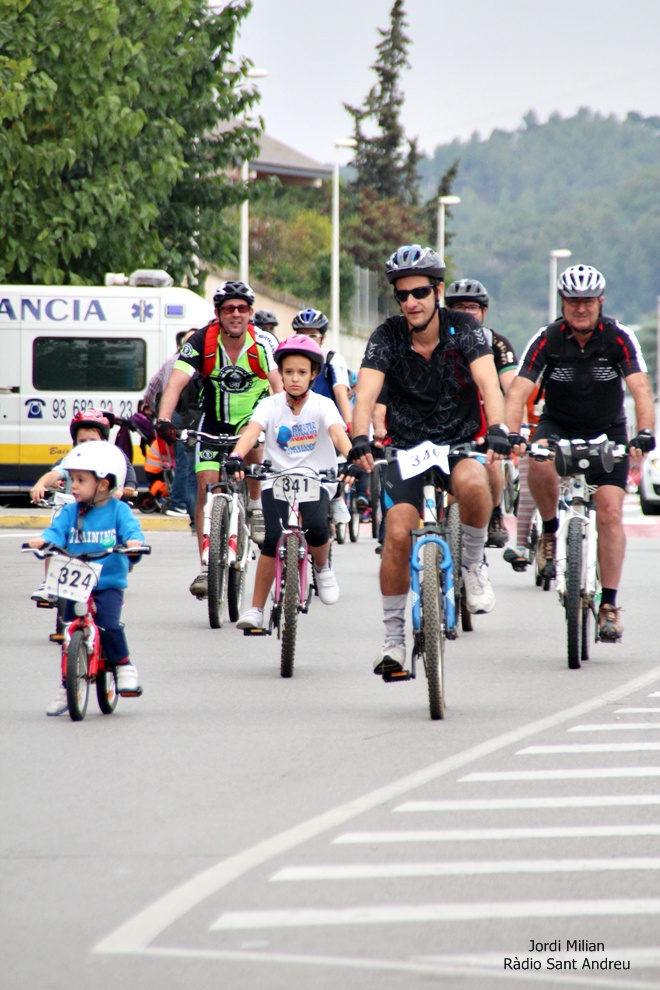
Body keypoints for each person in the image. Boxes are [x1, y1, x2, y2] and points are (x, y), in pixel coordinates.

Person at [348, 244, 510, 675]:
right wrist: (358, 438)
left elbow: (489, 383)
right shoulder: (387, 335)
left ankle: (473, 564)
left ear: (437, 291)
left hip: (458, 442)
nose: (411, 302)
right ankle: (394, 640)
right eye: (403, 296)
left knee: (476, 483)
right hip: (407, 449)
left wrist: (497, 427)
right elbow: (364, 392)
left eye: (419, 292)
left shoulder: (464, 329)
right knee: (398, 534)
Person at [506, 264, 655, 642]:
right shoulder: (548, 338)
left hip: (609, 430)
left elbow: (640, 390)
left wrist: (645, 433)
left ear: (600, 302)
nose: (581, 309)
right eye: (573, 302)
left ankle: (609, 605)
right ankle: (551, 533)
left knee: (608, 511)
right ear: (563, 303)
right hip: (558, 425)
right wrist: (511, 434)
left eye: (588, 301)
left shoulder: (619, 338)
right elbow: (518, 391)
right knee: (537, 461)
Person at [155, 280, 282, 597]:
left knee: (254, 442)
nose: (235, 314)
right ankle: (205, 567)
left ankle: (255, 507)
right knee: (204, 488)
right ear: (218, 314)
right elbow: (176, 381)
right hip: (212, 422)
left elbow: (278, 386)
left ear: (250, 312)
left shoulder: (264, 342)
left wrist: (284, 422)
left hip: (250, 420)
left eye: (242, 308)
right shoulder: (200, 341)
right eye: (229, 309)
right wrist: (163, 418)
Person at [224, 335, 354, 630]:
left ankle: (322, 568)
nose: (295, 378)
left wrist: (353, 457)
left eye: (302, 372)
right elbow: (251, 431)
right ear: (280, 374)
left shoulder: (323, 405)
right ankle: (256, 609)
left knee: (318, 526)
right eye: (289, 372)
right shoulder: (270, 405)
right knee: (272, 538)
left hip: (316, 477)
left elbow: (337, 434)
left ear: (313, 375)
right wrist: (236, 455)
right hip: (276, 479)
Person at [27, 441, 145, 716]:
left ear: (103, 484)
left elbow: (132, 531)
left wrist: (133, 543)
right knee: (69, 632)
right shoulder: (70, 511)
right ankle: (66, 685)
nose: (73, 486)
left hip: (107, 583)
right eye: (72, 480)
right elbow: (56, 532)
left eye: (81, 480)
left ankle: (124, 665)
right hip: (75, 582)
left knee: (108, 624)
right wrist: (43, 541)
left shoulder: (118, 510)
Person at [29, 409, 137, 602]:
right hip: (71, 505)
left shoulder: (113, 458)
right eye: (82, 442)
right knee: (56, 536)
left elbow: (126, 476)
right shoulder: (72, 460)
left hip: (103, 507)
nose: (87, 446)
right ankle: (49, 581)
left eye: (93, 441)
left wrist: (123, 489)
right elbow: (55, 473)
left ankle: (107, 580)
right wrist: (41, 484)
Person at [445, 278, 518, 548]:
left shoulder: (496, 343)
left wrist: (511, 427)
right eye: (459, 307)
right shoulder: (437, 340)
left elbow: (510, 387)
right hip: (447, 416)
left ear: (483, 312)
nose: (466, 313)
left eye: (472, 307)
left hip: (485, 413)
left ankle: (496, 513)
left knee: (492, 460)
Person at [292, 307, 354, 526]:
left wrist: (348, 424)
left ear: (323, 337)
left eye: (313, 335)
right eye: (301, 334)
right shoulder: (289, 357)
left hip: (327, 423)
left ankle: (336, 496)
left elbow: (340, 391)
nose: (307, 339)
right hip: (296, 422)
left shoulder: (331, 358)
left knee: (333, 458)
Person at [143, 329, 198, 524]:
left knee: (180, 460)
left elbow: (152, 387)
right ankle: (178, 503)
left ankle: (179, 502)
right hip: (184, 414)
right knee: (186, 462)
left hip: (169, 414)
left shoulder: (169, 362)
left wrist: (149, 407)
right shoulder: (193, 363)